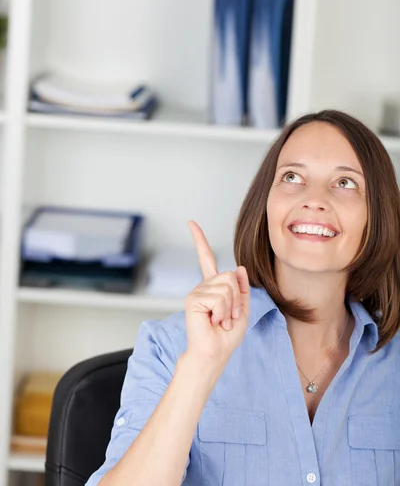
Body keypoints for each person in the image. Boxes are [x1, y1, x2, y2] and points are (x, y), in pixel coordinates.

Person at [86, 109, 400, 486]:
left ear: (377, 215)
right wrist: (202, 365)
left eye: (345, 183)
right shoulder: (171, 346)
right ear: (265, 203)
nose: (314, 199)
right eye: (292, 177)